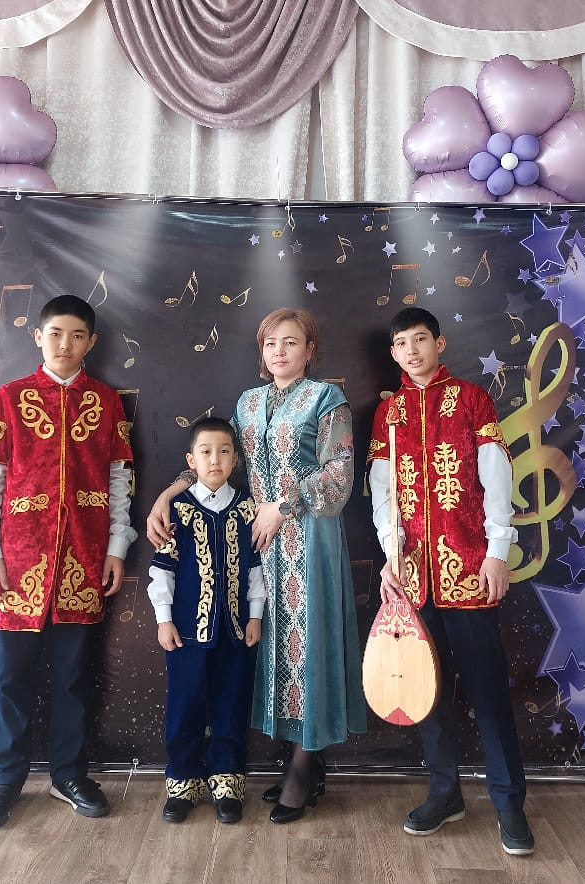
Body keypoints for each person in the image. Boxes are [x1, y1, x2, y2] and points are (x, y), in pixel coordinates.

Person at [147, 307, 366, 824]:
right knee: (271, 644)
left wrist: (282, 506)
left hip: (309, 535)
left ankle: (302, 770)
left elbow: (339, 473)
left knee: (310, 645)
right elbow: (221, 459)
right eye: (271, 344)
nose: (280, 352)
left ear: (310, 350)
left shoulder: (326, 398)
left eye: (291, 342)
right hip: (256, 540)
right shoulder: (248, 403)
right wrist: (170, 493)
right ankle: (304, 764)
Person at [367, 307, 533, 856]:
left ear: (439, 343)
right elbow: (384, 492)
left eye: (420, 339)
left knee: (487, 689)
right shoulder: (387, 413)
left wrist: (497, 553)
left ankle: (509, 804)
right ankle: (445, 793)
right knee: (426, 692)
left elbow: (496, 479)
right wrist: (392, 556)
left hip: (470, 569)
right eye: (401, 344)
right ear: (393, 353)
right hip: (414, 577)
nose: (411, 351)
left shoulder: (470, 399)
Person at [0, 294, 136, 829]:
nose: (66, 344)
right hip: (17, 561)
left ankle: (69, 774)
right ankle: (4, 778)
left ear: (92, 342)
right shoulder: (10, 398)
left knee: (72, 677)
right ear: (38, 337)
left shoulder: (105, 402)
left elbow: (119, 480)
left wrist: (116, 547)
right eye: (56, 333)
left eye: (77, 335)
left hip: (82, 559)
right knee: (12, 677)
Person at [147, 416, 265, 825]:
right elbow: (162, 571)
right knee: (185, 707)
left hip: (235, 632)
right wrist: (164, 619)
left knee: (231, 704)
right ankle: (182, 781)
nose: (215, 460)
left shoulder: (247, 508)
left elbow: (255, 570)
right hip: (186, 633)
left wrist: (255, 615)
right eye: (206, 452)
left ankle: (227, 782)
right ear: (191, 461)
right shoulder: (177, 510)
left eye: (224, 452)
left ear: (236, 459)